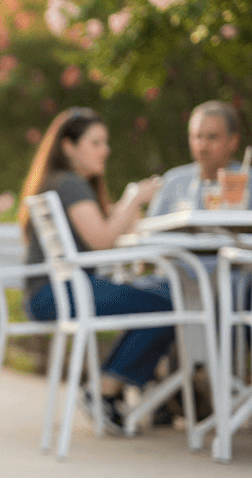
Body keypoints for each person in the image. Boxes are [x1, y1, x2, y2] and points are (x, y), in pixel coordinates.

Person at [17, 107, 167, 429]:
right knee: (165, 302)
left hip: (49, 292)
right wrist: (135, 198)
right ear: (69, 147)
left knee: (158, 298)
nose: (106, 150)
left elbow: (102, 238)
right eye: (96, 142)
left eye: (105, 142)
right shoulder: (70, 184)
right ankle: (105, 390)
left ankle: (110, 389)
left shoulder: (58, 182)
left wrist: (125, 209)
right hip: (61, 293)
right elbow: (101, 240)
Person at [148, 100, 252, 216]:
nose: (203, 145)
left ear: (233, 141)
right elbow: (150, 234)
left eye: (212, 137)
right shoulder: (174, 182)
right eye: (197, 136)